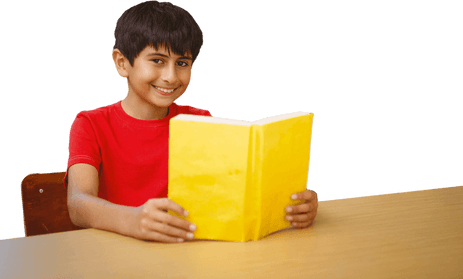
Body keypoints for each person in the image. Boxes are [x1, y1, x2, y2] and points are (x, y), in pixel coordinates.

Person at [64, 0, 318, 244]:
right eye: (157, 61)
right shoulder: (90, 124)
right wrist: (133, 220)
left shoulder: (200, 121)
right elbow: (77, 203)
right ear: (122, 63)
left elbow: (231, 193)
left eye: (182, 63)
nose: (171, 77)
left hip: (189, 251)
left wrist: (301, 202)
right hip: (118, 254)